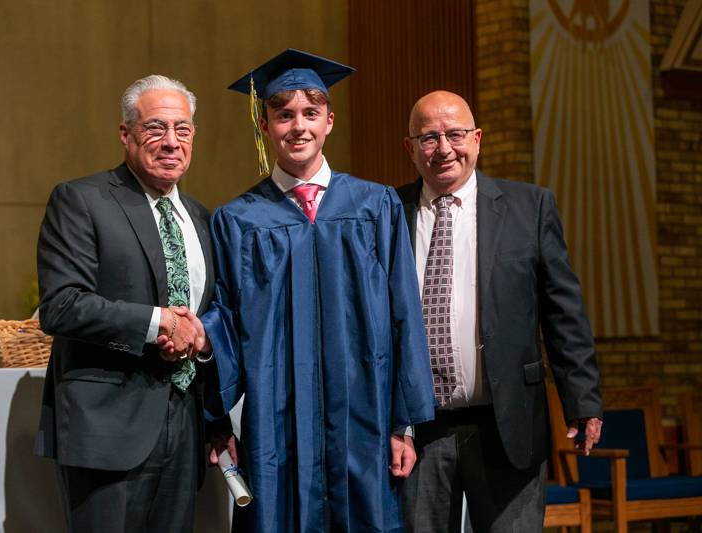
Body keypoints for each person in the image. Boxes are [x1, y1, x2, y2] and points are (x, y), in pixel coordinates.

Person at [198, 49, 436, 533]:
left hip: (364, 421)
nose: (298, 126)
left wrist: (402, 424)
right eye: (283, 115)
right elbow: (224, 322)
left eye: (310, 113)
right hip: (275, 424)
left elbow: (404, 314)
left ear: (330, 120)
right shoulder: (238, 221)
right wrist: (216, 420)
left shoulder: (375, 206)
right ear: (264, 126)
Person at [397, 90, 604, 532]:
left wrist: (582, 400)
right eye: (429, 138)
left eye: (455, 134)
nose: (444, 149)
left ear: (477, 138)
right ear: (410, 147)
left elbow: (563, 314)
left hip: (507, 422)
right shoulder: (388, 215)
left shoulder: (529, 208)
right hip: (419, 432)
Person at [34, 74, 219, 532]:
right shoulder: (81, 200)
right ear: (126, 134)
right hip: (108, 428)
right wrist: (159, 323)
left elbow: (209, 311)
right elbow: (61, 305)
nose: (171, 142)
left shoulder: (200, 216)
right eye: (156, 128)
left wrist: (201, 337)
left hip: (184, 426)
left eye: (183, 129)